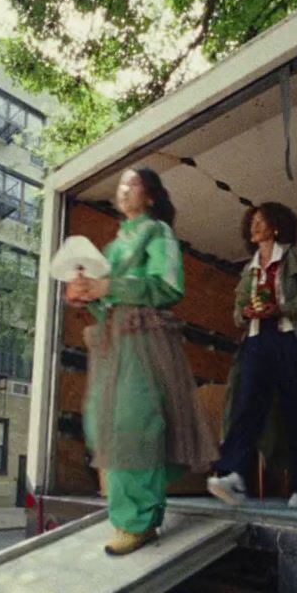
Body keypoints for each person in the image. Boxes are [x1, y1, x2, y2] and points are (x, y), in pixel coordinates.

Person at [67, 167, 218, 555]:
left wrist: (108, 286)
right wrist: (90, 296)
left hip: (145, 339)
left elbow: (168, 286)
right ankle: (129, 513)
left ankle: (139, 520)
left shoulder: (158, 232)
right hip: (113, 342)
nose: (122, 189)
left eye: (132, 183)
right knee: (103, 423)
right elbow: (109, 299)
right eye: (120, 184)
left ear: (151, 196)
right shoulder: (116, 243)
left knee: (134, 423)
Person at [208, 202, 297, 509]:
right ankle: (231, 472)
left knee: (296, 408)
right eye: (253, 222)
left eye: (262, 221)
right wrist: (244, 313)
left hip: (291, 338)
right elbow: (237, 311)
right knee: (246, 404)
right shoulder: (248, 269)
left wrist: (283, 309)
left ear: (276, 226)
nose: (255, 226)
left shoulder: (296, 257)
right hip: (258, 339)